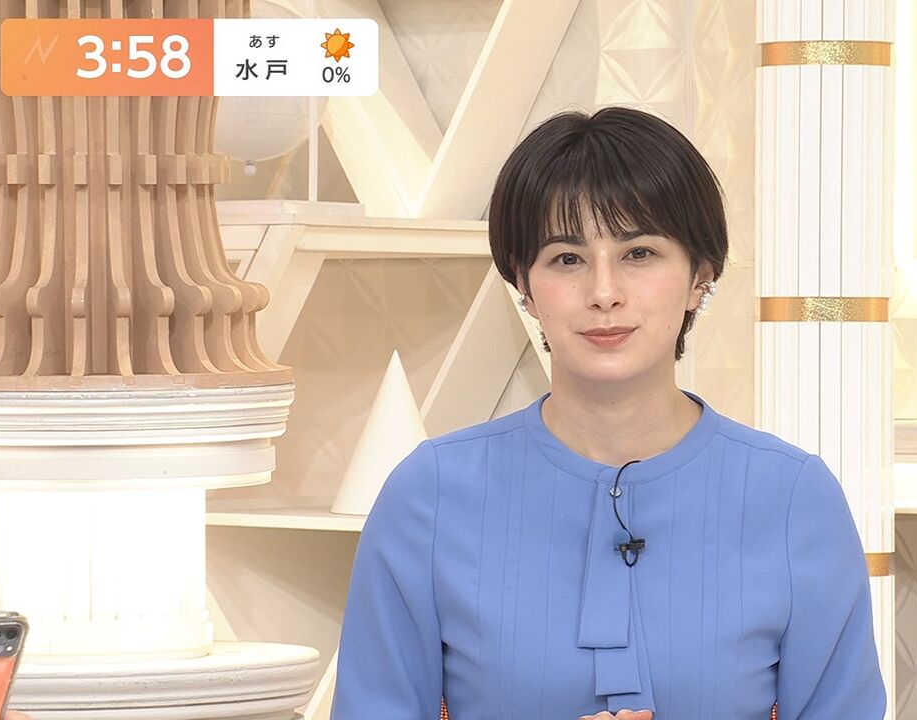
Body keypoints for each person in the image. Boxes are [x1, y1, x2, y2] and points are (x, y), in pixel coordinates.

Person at [332, 106, 886, 720]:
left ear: (700, 277)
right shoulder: (428, 496)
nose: (603, 293)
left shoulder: (795, 499)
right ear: (524, 284)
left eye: (639, 253)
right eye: (566, 259)